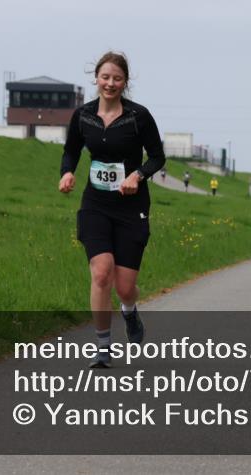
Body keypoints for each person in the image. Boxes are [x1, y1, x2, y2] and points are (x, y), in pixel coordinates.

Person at [59, 51, 166, 368]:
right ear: (96, 78)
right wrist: (67, 173)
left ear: (125, 82)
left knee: (125, 287)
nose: (110, 83)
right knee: (101, 273)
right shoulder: (84, 116)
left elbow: (158, 157)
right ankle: (103, 347)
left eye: (117, 78)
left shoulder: (138, 116)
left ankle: (130, 312)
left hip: (132, 207)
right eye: (105, 77)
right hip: (96, 204)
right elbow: (71, 151)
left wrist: (138, 175)